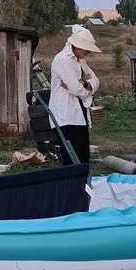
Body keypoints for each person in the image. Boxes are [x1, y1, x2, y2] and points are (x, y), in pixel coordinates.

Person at [48, 24, 100, 166]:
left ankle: (82, 184)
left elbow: (95, 81)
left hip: (79, 113)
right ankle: (72, 185)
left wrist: (84, 84)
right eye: (87, 49)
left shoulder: (80, 61)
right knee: (72, 155)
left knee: (83, 154)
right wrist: (85, 89)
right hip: (65, 115)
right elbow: (75, 88)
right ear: (78, 47)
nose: (89, 53)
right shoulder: (63, 59)